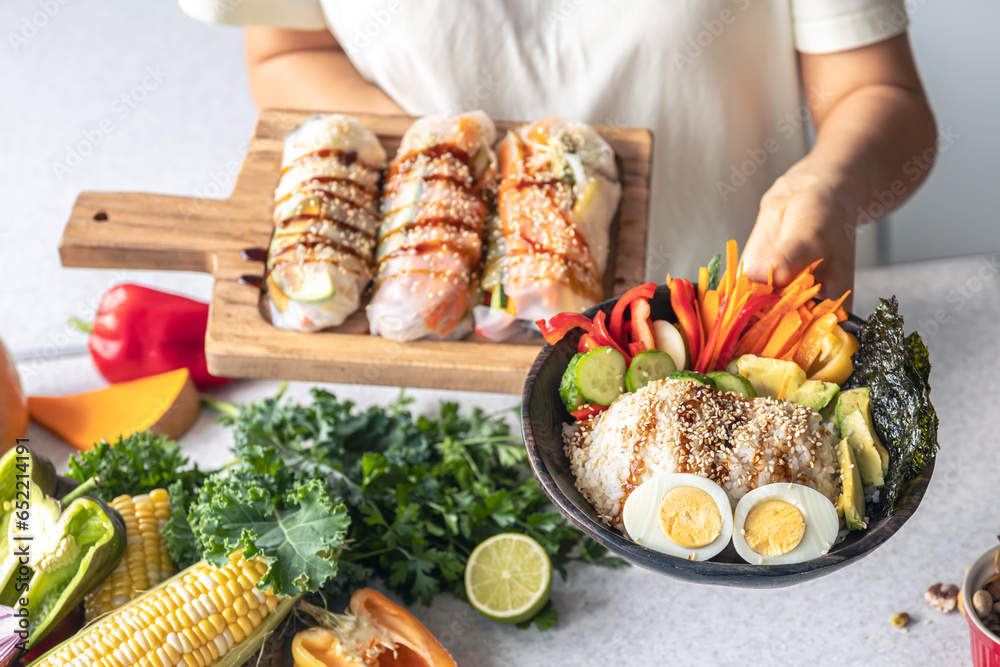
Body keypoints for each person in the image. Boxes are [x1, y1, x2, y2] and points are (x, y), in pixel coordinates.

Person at [181, 0, 936, 305]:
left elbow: (880, 96)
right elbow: (288, 52)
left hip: (711, 336)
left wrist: (828, 188)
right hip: (427, 342)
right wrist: (448, 166)